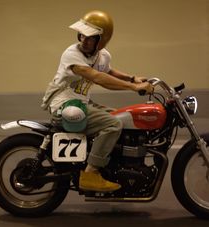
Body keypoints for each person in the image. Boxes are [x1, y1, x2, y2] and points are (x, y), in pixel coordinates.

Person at [41, 10, 153, 192]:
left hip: (82, 103)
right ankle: (91, 173)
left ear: (101, 40)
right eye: (82, 36)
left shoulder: (102, 55)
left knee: (122, 118)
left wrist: (132, 78)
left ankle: (108, 164)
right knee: (113, 125)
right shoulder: (71, 54)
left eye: (90, 38)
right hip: (64, 104)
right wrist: (133, 88)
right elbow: (97, 77)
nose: (84, 41)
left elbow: (108, 71)